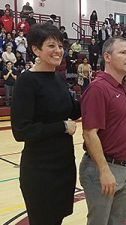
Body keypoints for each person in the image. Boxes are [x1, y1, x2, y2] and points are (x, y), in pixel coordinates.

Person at [10, 23, 81, 225]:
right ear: (35, 49)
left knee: (56, 219)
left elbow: (73, 110)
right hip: (40, 170)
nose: (58, 51)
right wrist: (62, 127)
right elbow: (21, 131)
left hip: (64, 165)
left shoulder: (58, 78)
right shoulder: (26, 81)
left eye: (60, 45)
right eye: (51, 46)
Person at [79, 36, 126, 225]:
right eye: (123, 52)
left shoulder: (122, 87)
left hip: (123, 168)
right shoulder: (98, 88)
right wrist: (104, 171)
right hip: (102, 168)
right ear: (107, 57)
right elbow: (89, 133)